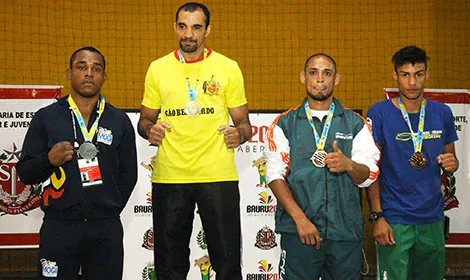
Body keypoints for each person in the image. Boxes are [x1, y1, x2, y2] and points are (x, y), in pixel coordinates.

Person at [137, 2, 251, 280]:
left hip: (218, 176)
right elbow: (144, 121)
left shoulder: (228, 67)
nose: (188, 34)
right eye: (183, 26)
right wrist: (149, 130)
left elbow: (244, 124)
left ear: (207, 30)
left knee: (227, 263)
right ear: (175, 27)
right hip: (170, 178)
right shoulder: (157, 68)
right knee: (169, 265)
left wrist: (240, 135)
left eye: (196, 27)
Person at [17, 46, 138, 280]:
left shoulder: (118, 120)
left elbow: (128, 176)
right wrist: (48, 160)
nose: (89, 73)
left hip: (105, 229)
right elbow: (25, 173)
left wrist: (105, 208)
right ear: (69, 73)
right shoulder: (46, 117)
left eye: (96, 68)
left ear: (104, 76)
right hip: (59, 227)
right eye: (82, 67)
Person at [264, 53, 380, 280]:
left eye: (327, 73)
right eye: (313, 73)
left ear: (336, 79)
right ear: (303, 77)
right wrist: (300, 220)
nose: (320, 79)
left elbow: (369, 175)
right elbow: (274, 176)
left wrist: (349, 165)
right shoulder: (284, 123)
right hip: (299, 231)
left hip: (344, 233)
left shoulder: (355, 123)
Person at [366, 45, 459, 280]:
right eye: (405, 75)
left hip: (432, 219)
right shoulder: (379, 113)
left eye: (418, 74)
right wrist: (378, 216)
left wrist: (452, 162)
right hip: (394, 219)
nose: (412, 82)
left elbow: (451, 158)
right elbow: (370, 170)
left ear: (427, 74)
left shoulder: (443, 113)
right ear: (395, 75)